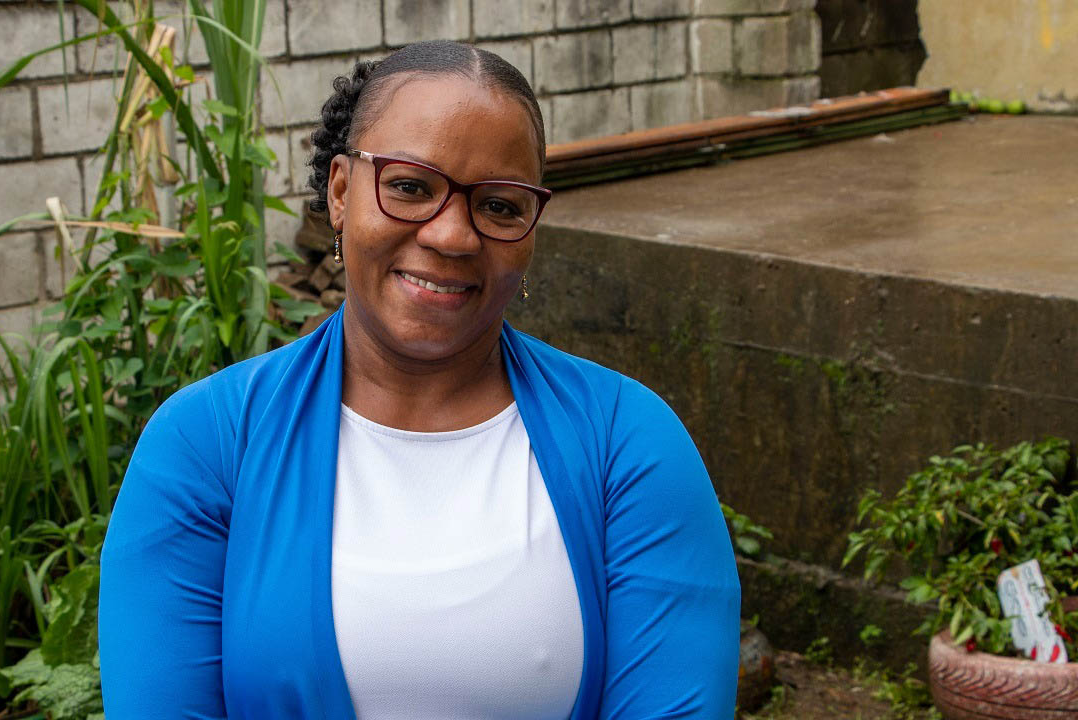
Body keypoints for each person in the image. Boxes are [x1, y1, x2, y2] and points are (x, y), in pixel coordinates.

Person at [99, 40, 740, 719]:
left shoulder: (627, 444)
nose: (453, 235)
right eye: (410, 187)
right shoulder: (208, 444)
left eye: (499, 205)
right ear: (341, 192)